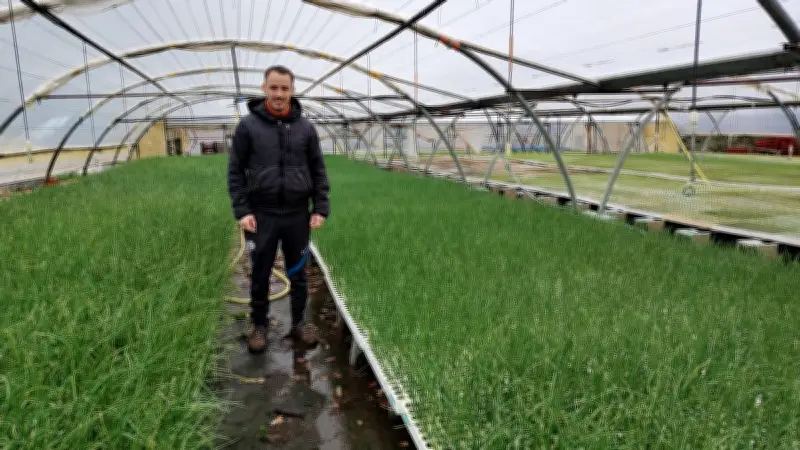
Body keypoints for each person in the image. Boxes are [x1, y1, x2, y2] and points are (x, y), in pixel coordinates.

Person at [227, 65, 330, 354]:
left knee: (298, 272)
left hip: (297, 214)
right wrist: (242, 210)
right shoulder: (248, 127)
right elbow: (235, 172)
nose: (279, 94)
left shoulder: (305, 128)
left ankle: (299, 323)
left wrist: (320, 207)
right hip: (262, 214)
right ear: (264, 89)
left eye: (284, 88)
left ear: (292, 90)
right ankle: (259, 325)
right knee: (260, 272)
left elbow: (318, 170)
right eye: (274, 87)